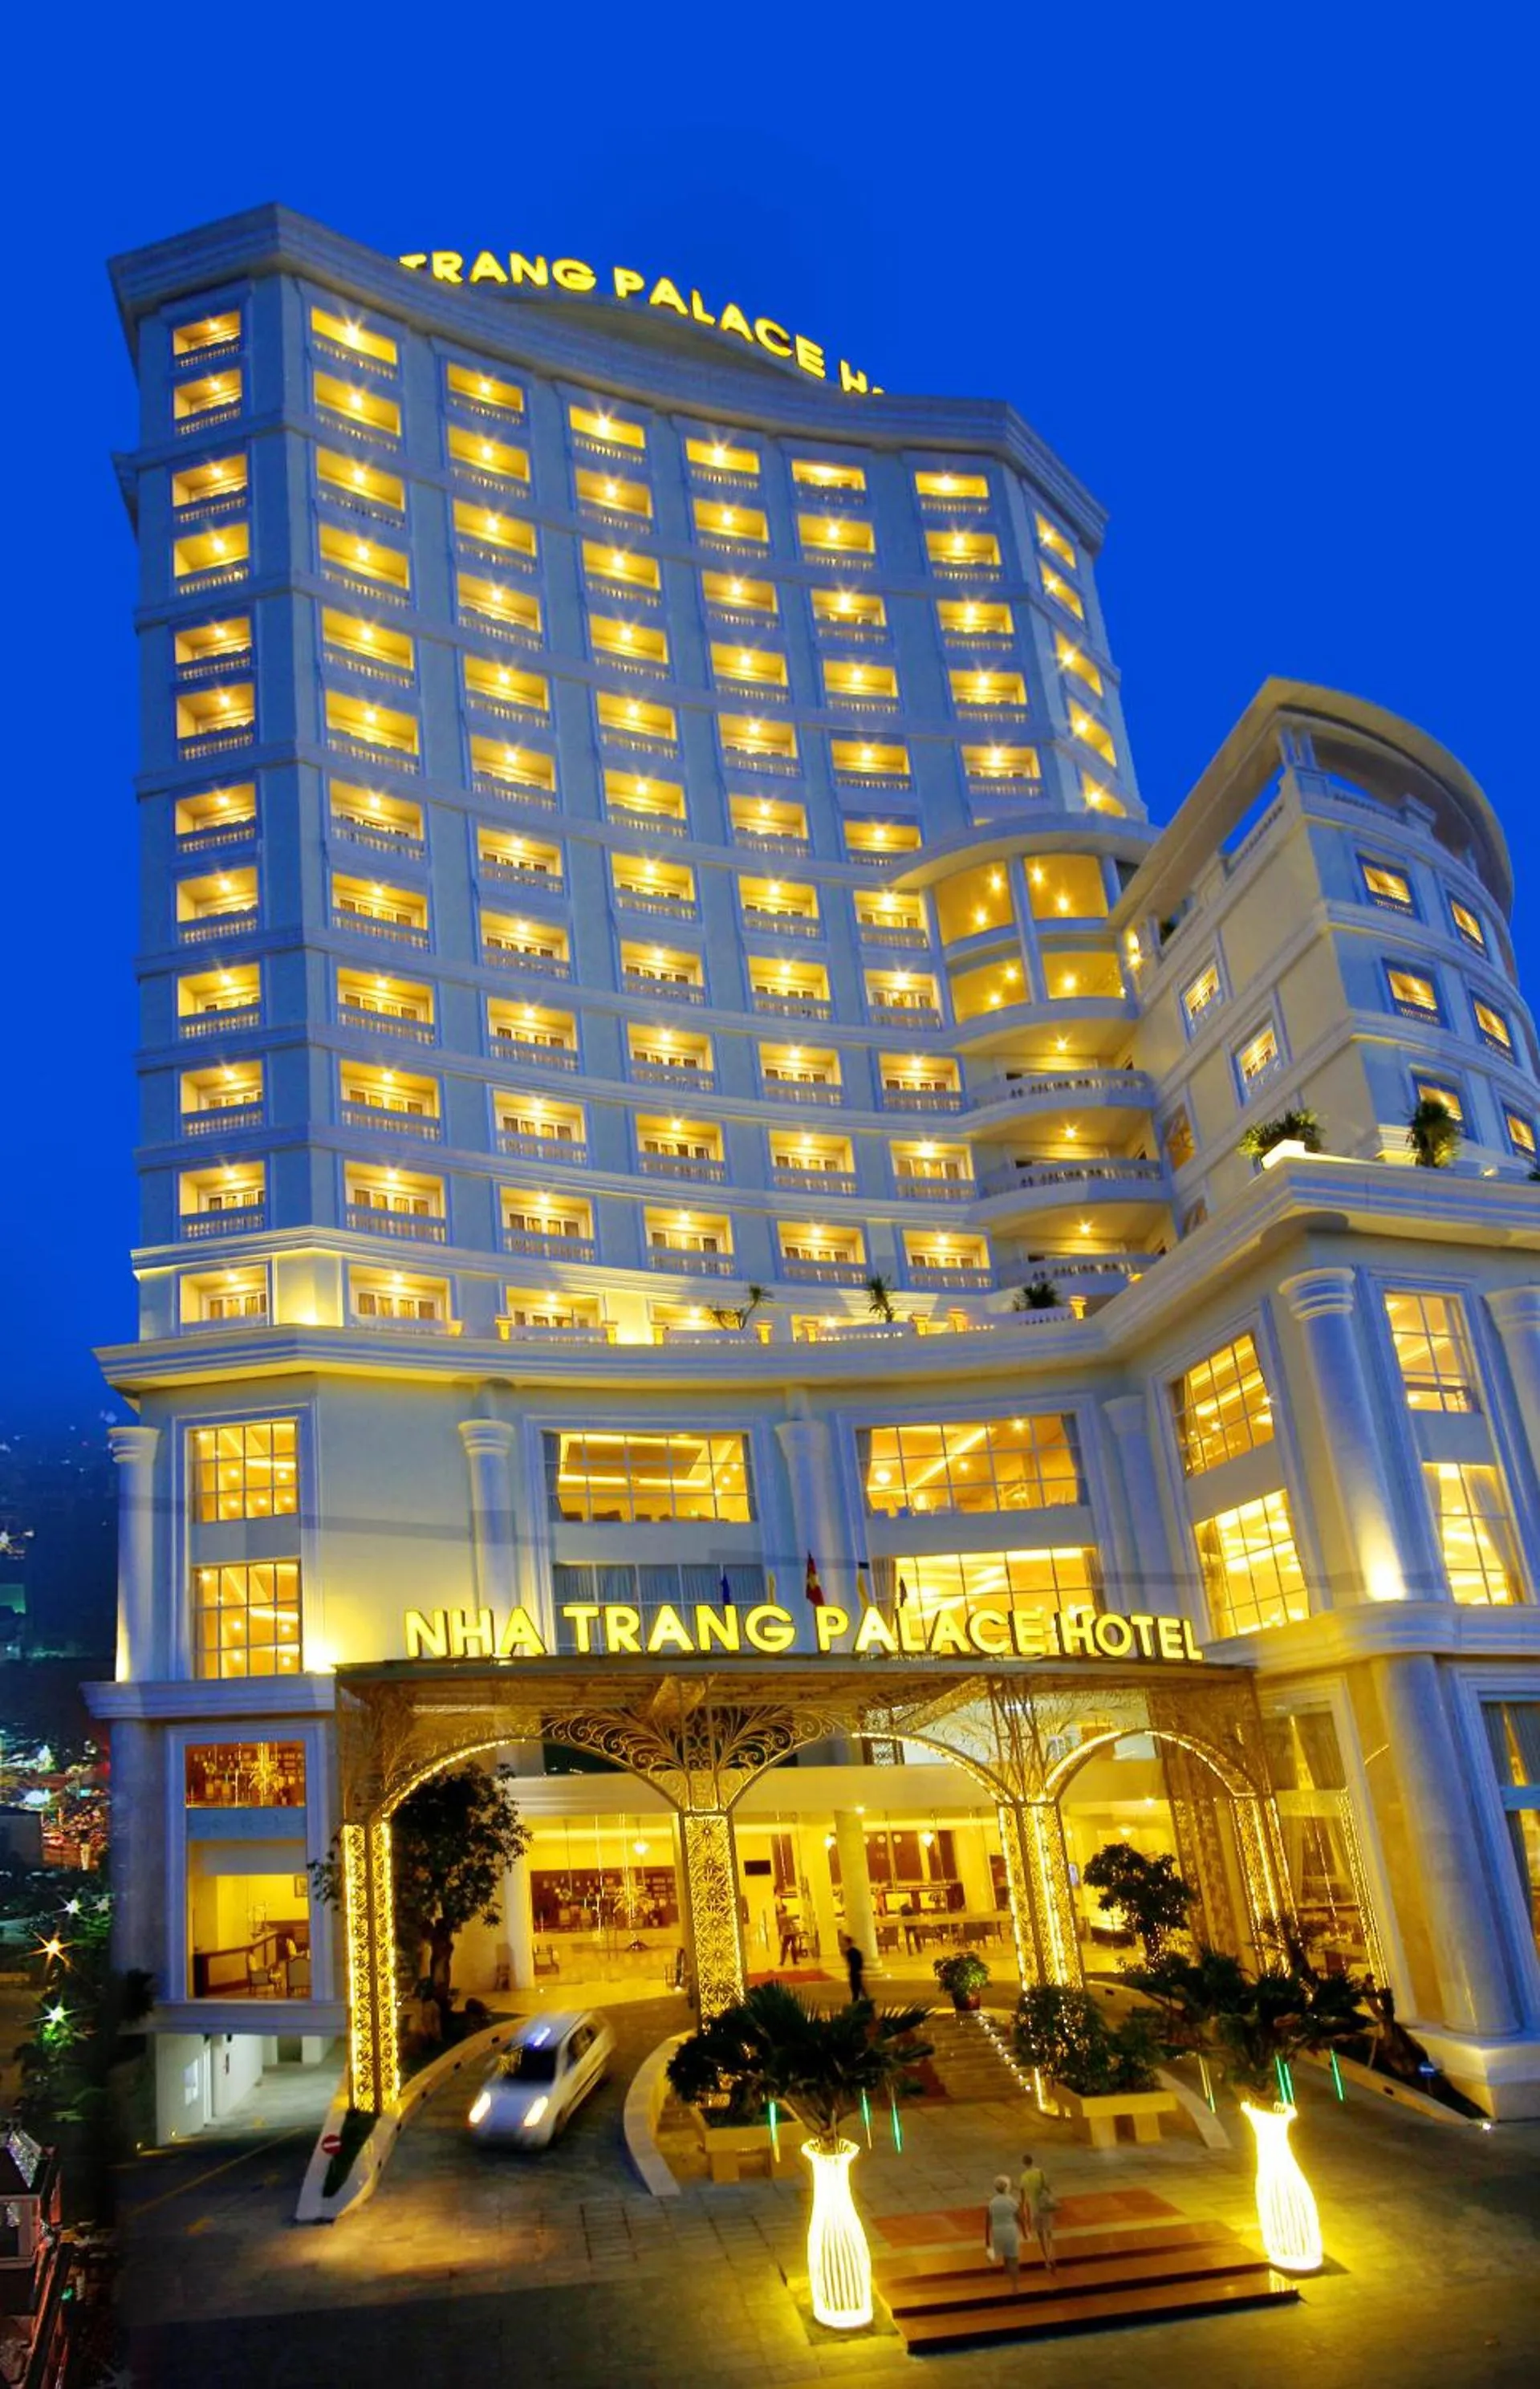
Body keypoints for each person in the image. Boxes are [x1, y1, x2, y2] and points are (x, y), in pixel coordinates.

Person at [1018, 2151, 1057, 2272]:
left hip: (1034, 2209)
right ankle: (1052, 2255)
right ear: (1033, 2161)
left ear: (1024, 2164)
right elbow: (1048, 2189)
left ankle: (1046, 2259)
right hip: (1044, 2206)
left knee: (1040, 2235)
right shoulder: (1040, 2173)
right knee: (1049, 2233)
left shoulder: (1024, 2177)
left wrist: (1024, 2211)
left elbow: (1023, 2197)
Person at [985, 2174, 1022, 2291]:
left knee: (1005, 2255)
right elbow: (1019, 2217)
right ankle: (1015, 2285)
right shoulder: (1011, 2201)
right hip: (1010, 2230)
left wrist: (987, 2238)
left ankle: (994, 2259)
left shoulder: (992, 2203)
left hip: (997, 2231)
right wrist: (1025, 2230)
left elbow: (988, 2220)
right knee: (1013, 2258)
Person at [841, 1930, 867, 2004]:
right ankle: (863, 2001)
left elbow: (855, 1963)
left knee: (856, 1989)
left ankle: (856, 2003)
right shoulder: (854, 1951)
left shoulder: (851, 1952)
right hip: (855, 1972)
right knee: (859, 1989)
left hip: (854, 1972)